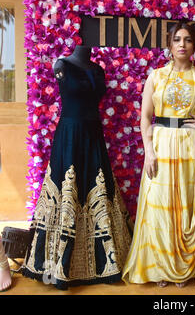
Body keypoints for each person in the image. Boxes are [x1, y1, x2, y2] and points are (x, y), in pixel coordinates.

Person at [122, 22, 195, 289]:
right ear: (169, 45)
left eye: (188, 40)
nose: (182, 44)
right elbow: (145, 117)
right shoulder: (156, 76)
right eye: (177, 39)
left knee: (189, 207)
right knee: (161, 207)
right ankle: (161, 267)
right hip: (161, 144)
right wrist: (149, 152)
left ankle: (186, 269)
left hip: (193, 147)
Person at [22, 45, 133, 290]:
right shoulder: (61, 65)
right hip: (70, 134)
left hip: (94, 135)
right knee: (67, 190)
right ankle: (60, 265)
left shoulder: (98, 70)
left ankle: (108, 260)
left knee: (96, 188)